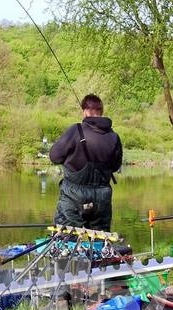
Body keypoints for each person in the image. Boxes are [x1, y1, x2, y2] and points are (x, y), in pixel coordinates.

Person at [49, 94, 122, 232]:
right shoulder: (114, 137)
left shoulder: (75, 130)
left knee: (66, 240)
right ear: (101, 111)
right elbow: (115, 166)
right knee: (100, 241)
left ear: (85, 111)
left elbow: (54, 157)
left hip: (73, 196)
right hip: (102, 199)